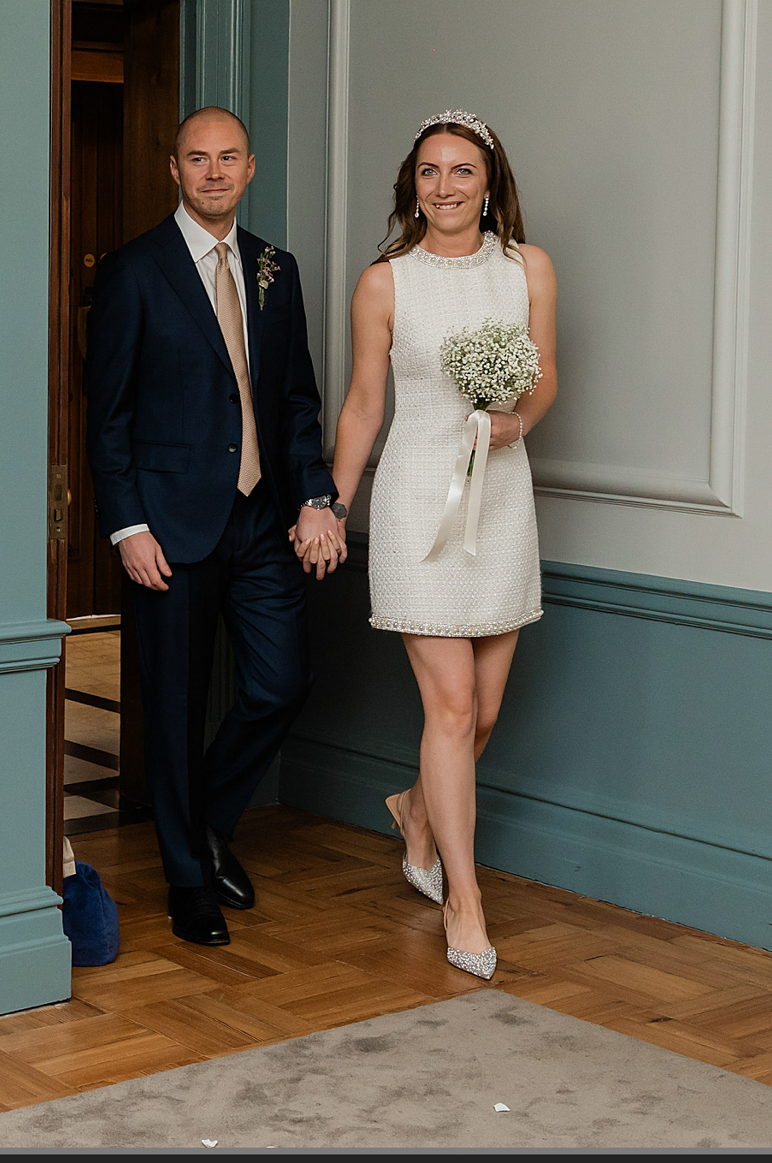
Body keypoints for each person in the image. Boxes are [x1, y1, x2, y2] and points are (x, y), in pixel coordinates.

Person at [84, 105, 345, 947]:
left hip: (263, 516)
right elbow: (109, 416)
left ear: (251, 167)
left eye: (228, 158)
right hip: (170, 524)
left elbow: (297, 402)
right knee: (175, 702)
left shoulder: (277, 269)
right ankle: (187, 880)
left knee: (281, 681)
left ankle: (201, 819)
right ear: (174, 169)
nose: (214, 172)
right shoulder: (134, 272)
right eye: (198, 159)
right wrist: (128, 526)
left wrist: (316, 497)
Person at [325, 110, 557, 978]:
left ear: (489, 183)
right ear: (410, 184)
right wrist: (331, 501)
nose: (445, 187)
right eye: (429, 172)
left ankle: (418, 809)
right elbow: (361, 405)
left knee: (484, 711)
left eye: (462, 171)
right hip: (419, 501)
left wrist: (514, 420)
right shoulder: (386, 282)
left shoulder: (528, 269)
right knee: (451, 707)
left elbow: (548, 373)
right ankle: (465, 895)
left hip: (501, 499)